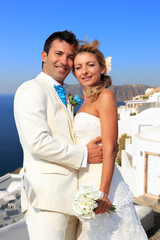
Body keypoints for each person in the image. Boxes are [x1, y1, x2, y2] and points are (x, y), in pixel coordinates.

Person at [14, 31, 104, 240]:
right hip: (47, 201)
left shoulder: (65, 94)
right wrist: (84, 154)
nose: (64, 61)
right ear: (44, 56)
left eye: (70, 56)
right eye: (58, 53)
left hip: (74, 201)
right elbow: (37, 142)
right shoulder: (31, 89)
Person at [73, 40, 148, 240]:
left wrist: (103, 193)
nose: (85, 71)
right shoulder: (84, 103)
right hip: (84, 180)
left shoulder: (105, 96)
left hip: (101, 182)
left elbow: (110, 148)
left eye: (90, 65)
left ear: (102, 68)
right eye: (78, 67)